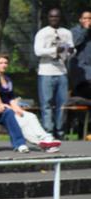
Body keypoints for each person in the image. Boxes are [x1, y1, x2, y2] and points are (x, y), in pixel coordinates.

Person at [0, 54, 61, 152]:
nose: (4, 65)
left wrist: (17, 109)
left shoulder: (7, 79)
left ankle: (46, 139)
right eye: (1, 63)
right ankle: (41, 143)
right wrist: (9, 108)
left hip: (10, 108)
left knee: (30, 116)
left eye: (5, 63)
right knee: (21, 123)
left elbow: (11, 97)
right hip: (0, 110)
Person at [34, 8, 73, 140]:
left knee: (62, 104)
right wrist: (55, 50)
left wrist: (71, 51)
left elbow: (71, 50)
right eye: (51, 17)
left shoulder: (66, 33)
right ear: (48, 18)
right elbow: (38, 51)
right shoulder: (42, 33)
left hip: (61, 71)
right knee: (47, 104)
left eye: (56, 17)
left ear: (60, 18)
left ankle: (60, 131)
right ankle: (48, 131)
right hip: (46, 71)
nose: (54, 19)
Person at [71, 11, 91, 99]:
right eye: (85, 18)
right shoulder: (75, 31)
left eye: (89, 18)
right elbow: (74, 43)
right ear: (80, 20)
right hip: (80, 71)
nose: (88, 21)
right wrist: (85, 30)